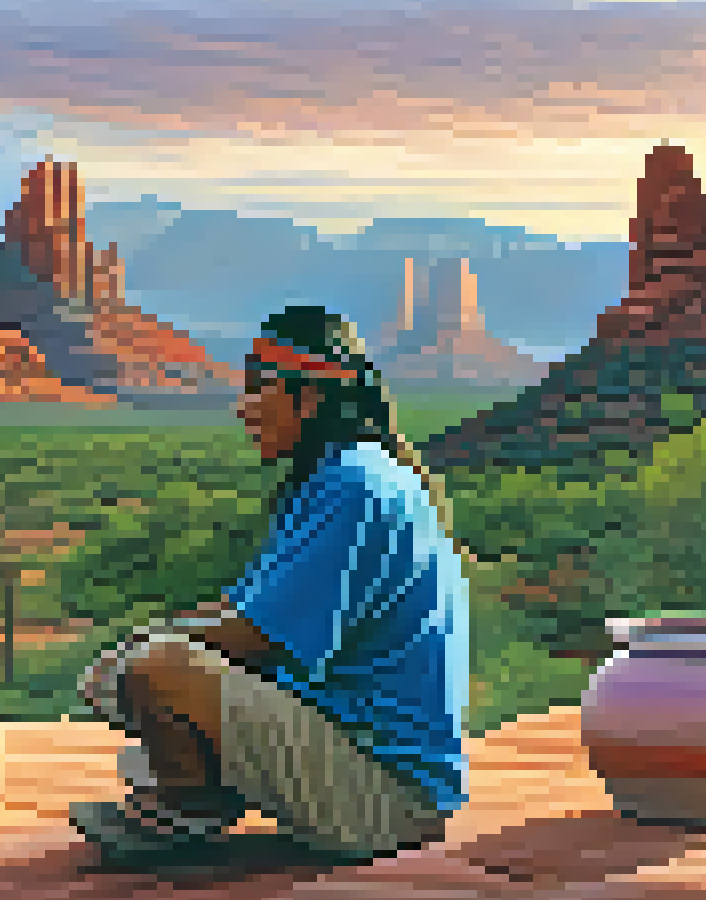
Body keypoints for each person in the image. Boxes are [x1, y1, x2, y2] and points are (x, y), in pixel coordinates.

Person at [69, 304, 469, 867]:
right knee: (141, 685)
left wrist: (148, 653)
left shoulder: (354, 486)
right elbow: (246, 613)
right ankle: (201, 790)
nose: (243, 409)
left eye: (259, 390)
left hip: (389, 796)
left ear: (308, 399)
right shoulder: (343, 474)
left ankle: (187, 811)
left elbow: (261, 637)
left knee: (152, 670)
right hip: (366, 758)